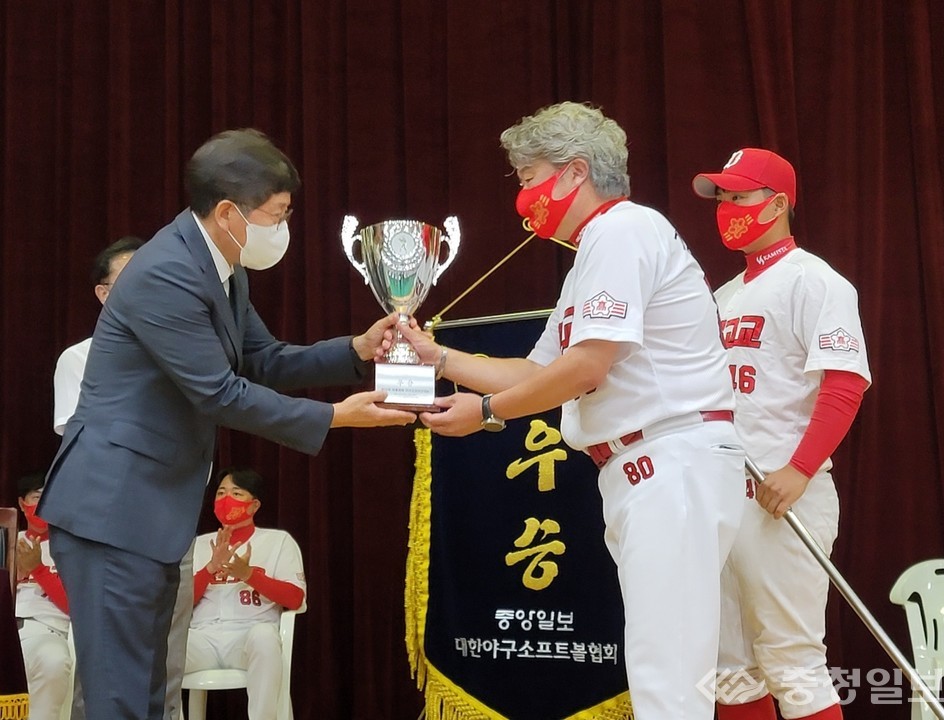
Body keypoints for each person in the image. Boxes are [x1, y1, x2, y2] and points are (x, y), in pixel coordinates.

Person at [38, 128, 416, 720]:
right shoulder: (167, 272)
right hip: (112, 509)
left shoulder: (221, 264)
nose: (283, 228)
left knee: (151, 693)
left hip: (149, 510)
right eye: (277, 214)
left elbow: (262, 358)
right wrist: (335, 417)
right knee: (118, 697)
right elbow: (219, 392)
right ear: (227, 212)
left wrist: (356, 349)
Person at [402, 101, 746, 719]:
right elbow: (537, 372)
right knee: (662, 663)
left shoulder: (622, 231)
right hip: (645, 467)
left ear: (575, 172)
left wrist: (487, 412)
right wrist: (438, 356)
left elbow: (585, 369)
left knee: (667, 672)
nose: (524, 195)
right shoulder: (597, 249)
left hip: (669, 460)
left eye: (530, 177)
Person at [692, 148, 871, 720]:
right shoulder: (721, 296)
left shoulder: (815, 281)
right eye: (722, 198)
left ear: (777, 205)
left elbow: (844, 383)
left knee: (792, 663)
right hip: (721, 493)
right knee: (730, 668)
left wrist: (799, 468)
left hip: (781, 495)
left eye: (739, 196)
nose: (727, 208)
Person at [53, 236, 193, 720]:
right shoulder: (81, 356)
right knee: (109, 675)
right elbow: (90, 440)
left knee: (163, 666)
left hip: (172, 520)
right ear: (103, 293)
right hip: (114, 521)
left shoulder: (183, 350)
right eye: (133, 279)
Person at [187, 467, 306, 720]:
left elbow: (295, 598)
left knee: (265, 638)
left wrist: (249, 575)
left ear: (254, 505)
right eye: (221, 493)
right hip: (202, 638)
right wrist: (210, 569)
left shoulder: (278, 542)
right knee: (160, 647)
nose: (226, 499)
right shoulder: (198, 545)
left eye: (236, 493)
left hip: (249, 636)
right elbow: (180, 605)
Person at [53, 236, 143, 436]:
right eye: (129, 282)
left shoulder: (178, 351)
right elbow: (82, 438)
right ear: (104, 294)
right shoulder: (78, 359)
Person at [15, 472, 76, 720]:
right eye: (36, 497)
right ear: (22, 504)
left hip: (47, 630)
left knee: (53, 660)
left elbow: (75, 605)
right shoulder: (9, 540)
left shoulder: (72, 550)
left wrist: (38, 570)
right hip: (7, 630)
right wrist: (16, 575)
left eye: (49, 497)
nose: (42, 505)